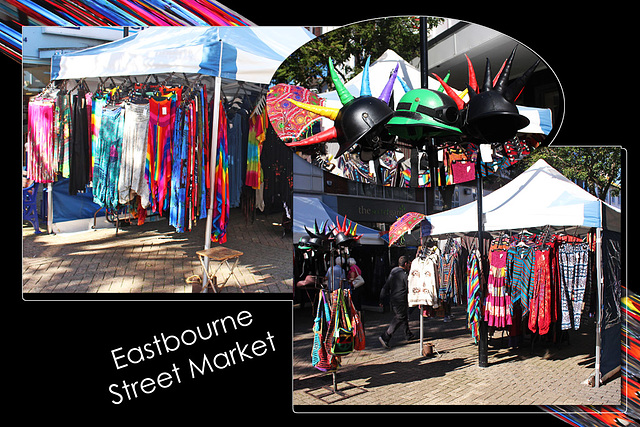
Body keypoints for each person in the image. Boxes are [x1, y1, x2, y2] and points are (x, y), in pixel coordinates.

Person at [378, 255, 415, 348]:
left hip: (394, 299)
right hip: (401, 299)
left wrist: (381, 298)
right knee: (400, 317)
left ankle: (408, 334)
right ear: (405, 264)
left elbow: (385, 286)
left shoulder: (392, 273)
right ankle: (386, 336)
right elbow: (408, 287)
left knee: (404, 316)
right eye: (409, 264)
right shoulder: (404, 275)